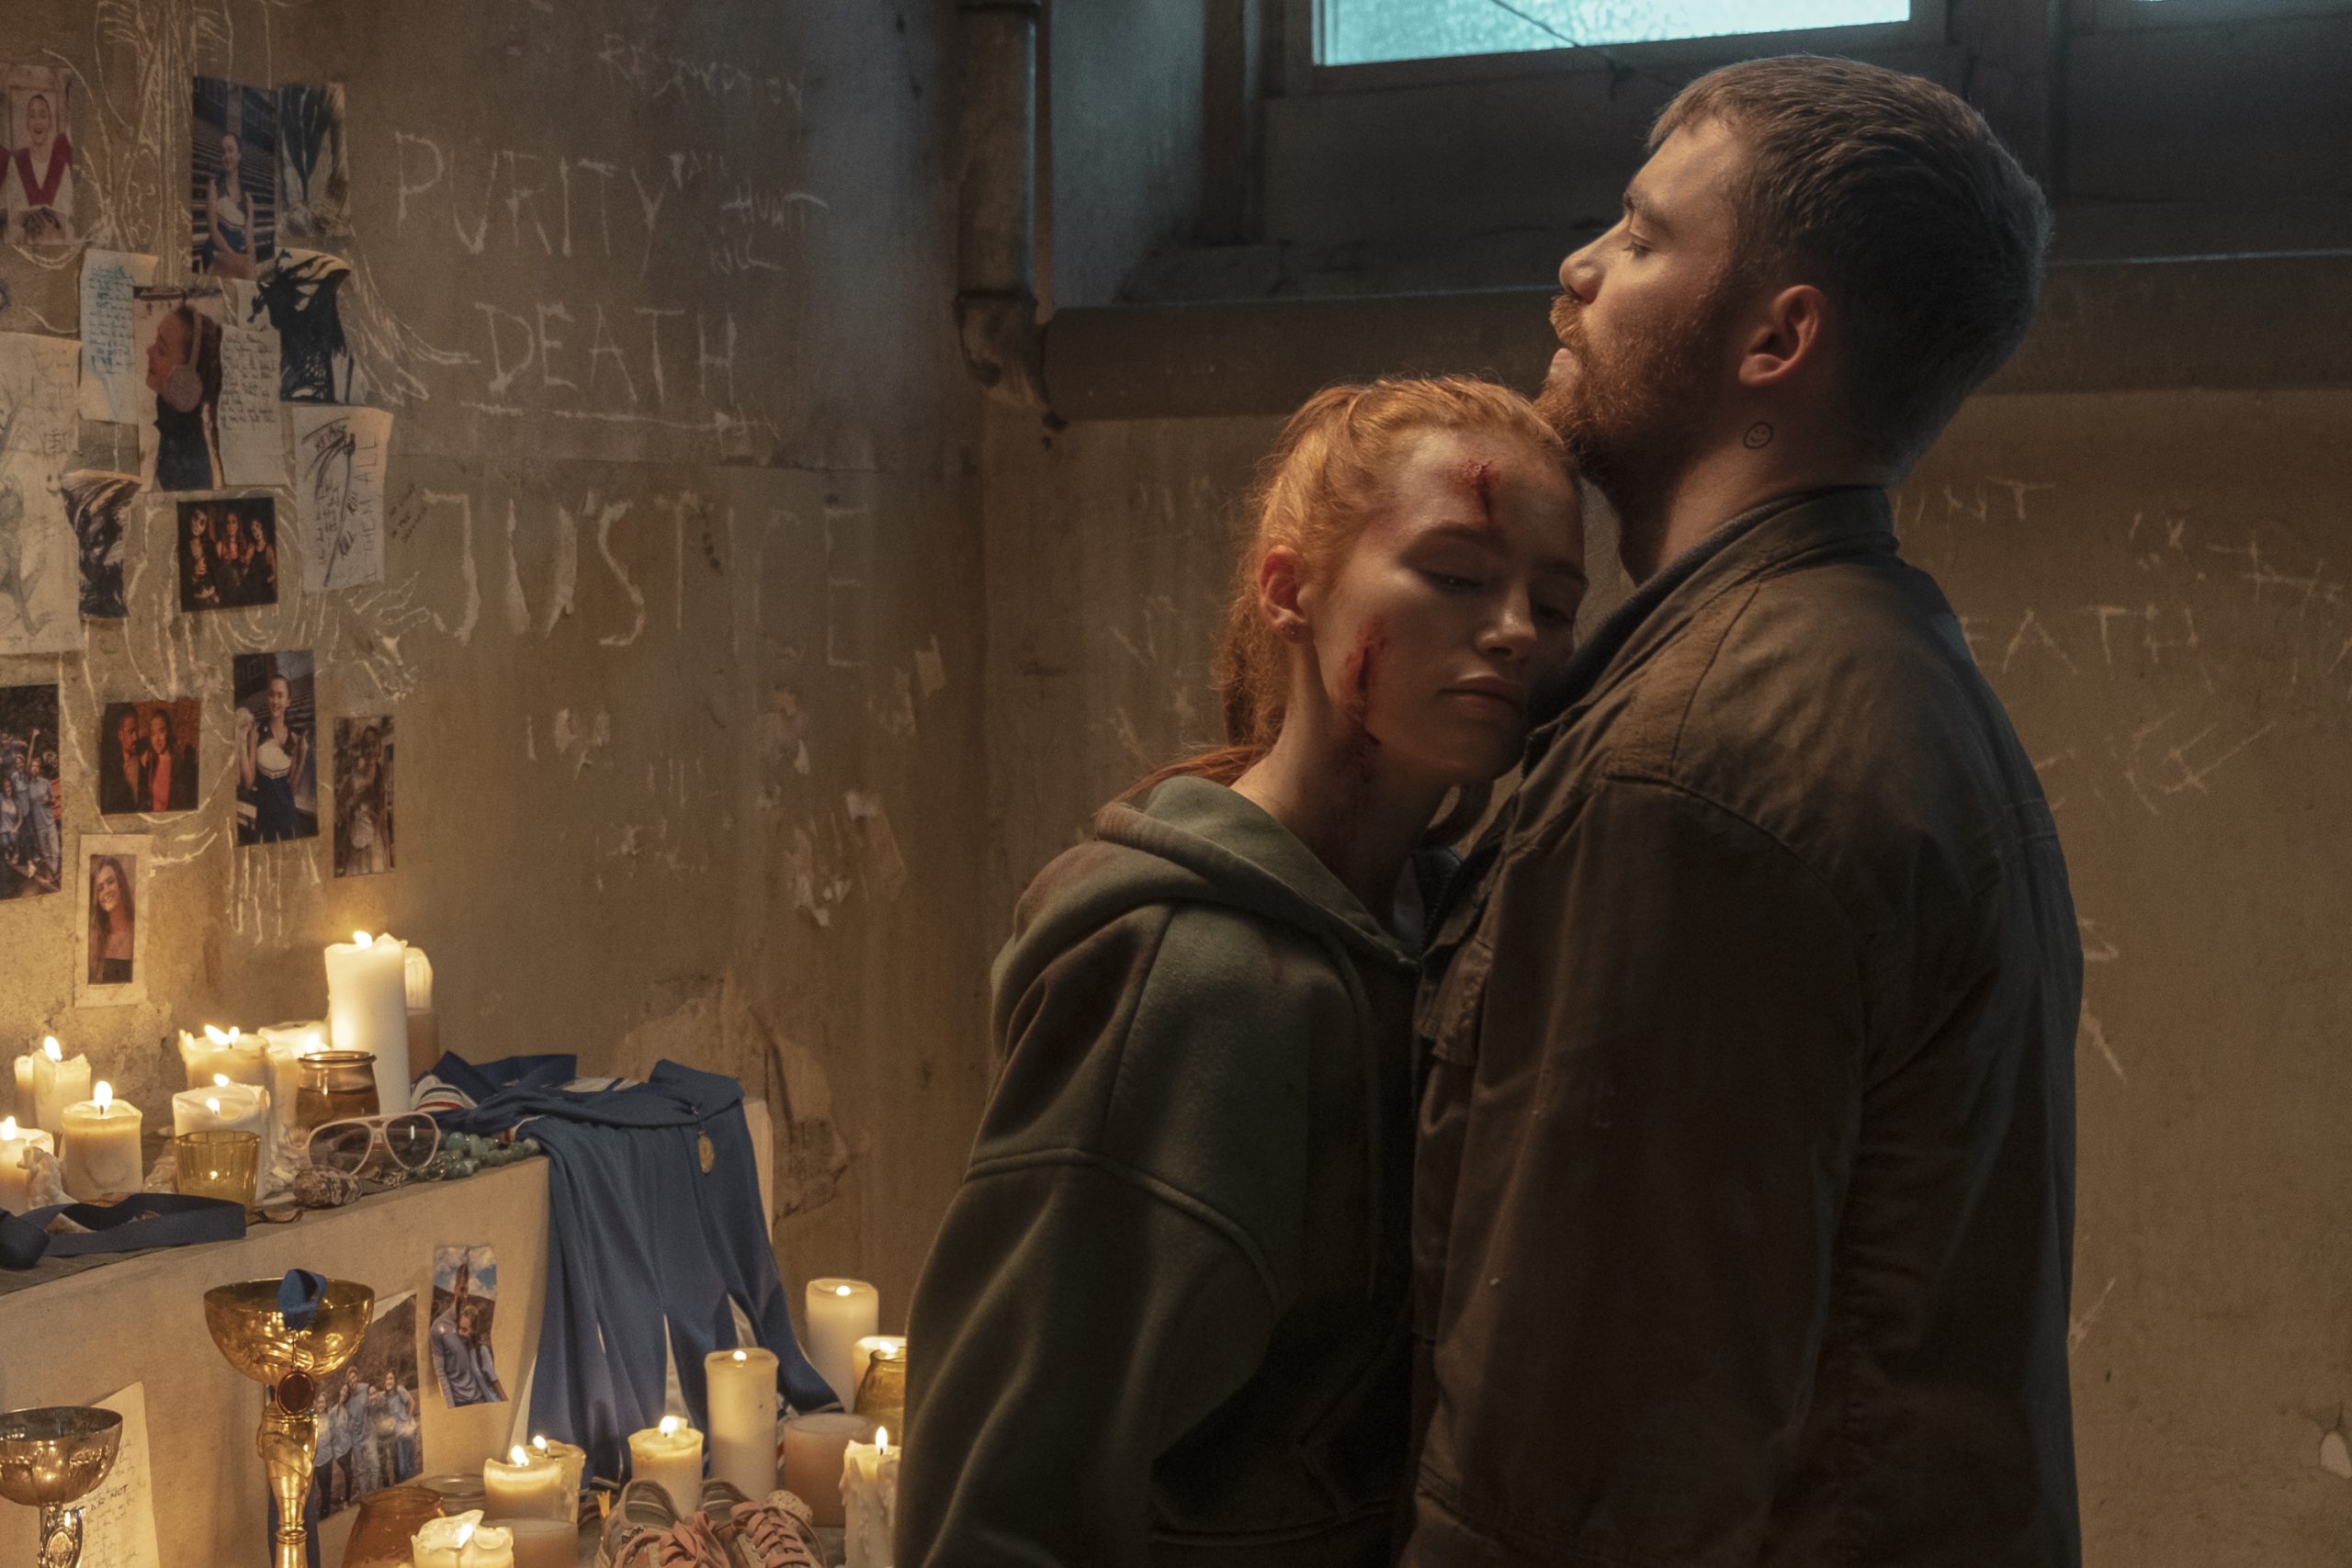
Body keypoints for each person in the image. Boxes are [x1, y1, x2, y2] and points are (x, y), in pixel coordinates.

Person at [1404, 57, 2079, 1568]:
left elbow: (1575, 1462)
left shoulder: (1698, 763)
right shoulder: (1886, 671)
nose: (1575, 272)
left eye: (1642, 238)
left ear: (1780, 336)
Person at [897, 376, 1586, 1568]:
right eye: (1459, 574)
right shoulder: (1192, 972)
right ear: (1290, 590)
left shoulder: (1438, 917)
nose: (1517, 627)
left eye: (1556, 598)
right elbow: (999, 1495)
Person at [147, 303, 223, 491]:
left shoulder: (189, 467)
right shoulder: (170, 426)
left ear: (185, 380)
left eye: (162, 349)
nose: (149, 351)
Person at [239, 670, 310, 842]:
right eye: (271, 695)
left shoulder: (294, 738)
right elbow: (249, 783)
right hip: (265, 820)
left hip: (288, 819)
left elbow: (292, 789)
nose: (275, 701)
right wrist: (242, 743)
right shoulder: (257, 733)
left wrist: (303, 756)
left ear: (288, 701)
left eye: (280, 695)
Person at [12, 91, 71, 243]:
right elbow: (11, 216)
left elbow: (69, 219)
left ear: (50, 122)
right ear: (27, 123)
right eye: (32, 116)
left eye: (43, 116)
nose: (37, 121)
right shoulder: (16, 162)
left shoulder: (62, 166)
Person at [203, 130, 258, 278]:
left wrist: (250, 263)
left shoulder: (247, 198)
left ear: (239, 155)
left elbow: (249, 240)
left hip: (235, 257)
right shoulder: (214, 186)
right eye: (223, 152)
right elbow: (213, 231)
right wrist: (237, 261)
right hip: (215, 254)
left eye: (230, 150)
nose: (226, 156)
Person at [87, 857, 133, 985]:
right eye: (100, 888)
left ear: (121, 883)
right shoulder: (93, 940)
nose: (106, 891)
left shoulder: (138, 931)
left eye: (111, 882)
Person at [144, 706, 195, 812]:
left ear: (169, 732)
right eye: (153, 733)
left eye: (161, 731)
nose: (157, 739)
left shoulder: (179, 766)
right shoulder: (150, 763)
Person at [105, 708, 145, 816]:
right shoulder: (111, 768)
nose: (136, 737)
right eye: (131, 732)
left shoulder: (144, 764)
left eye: (136, 731)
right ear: (120, 735)